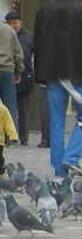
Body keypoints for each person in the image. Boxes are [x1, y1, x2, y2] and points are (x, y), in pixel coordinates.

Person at [34, 0, 82, 177]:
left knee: (56, 121)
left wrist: (40, 75)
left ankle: (59, 171)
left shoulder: (43, 11)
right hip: (80, 74)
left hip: (53, 75)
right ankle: (71, 157)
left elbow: (38, 44)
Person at [5, 12, 31, 145]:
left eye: (15, 23)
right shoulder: (5, 35)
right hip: (8, 75)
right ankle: (9, 135)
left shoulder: (28, 38)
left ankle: (24, 136)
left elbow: (29, 57)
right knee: (7, 108)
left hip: (24, 77)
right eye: (10, 23)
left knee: (23, 108)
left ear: (20, 23)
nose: (13, 26)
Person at [0, 17, 22, 137]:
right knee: (10, 104)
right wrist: (19, 71)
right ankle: (11, 135)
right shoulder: (9, 30)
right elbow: (18, 53)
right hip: (7, 70)